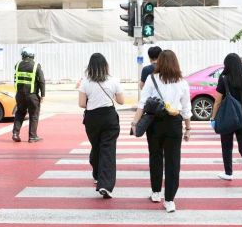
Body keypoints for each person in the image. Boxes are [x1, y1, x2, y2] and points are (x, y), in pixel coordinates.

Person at [131, 50, 192, 213]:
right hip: (174, 122)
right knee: (173, 161)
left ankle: (156, 193)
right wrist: (188, 128)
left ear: (159, 62)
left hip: (155, 123)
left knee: (155, 156)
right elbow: (186, 108)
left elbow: (142, 103)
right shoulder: (182, 82)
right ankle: (170, 200)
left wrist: (135, 122)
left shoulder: (151, 79)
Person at [210, 53, 242, 192]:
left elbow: (217, 101)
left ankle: (228, 173)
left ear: (227, 65)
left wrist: (213, 118)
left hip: (228, 117)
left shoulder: (224, 79)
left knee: (227, 146)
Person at [78, 53, 125, 199]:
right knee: (108, 150)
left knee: (96, 146)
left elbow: (81, 104)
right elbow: (121, 101)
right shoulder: (114, 80)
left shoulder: (85, 82)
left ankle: (97, 174)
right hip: (109, 117)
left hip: (92, 119)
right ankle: (105, 185)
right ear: (106, 66)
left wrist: (93, 100)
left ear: (90, 67)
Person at [12, 47, 45, 143]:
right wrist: (43, 95)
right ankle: (32, 136)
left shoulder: (17, 65)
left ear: (23, 55)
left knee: (19, 113)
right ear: (32, 55)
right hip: (32, 95)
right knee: (34, 115)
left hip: (19, 94)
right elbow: (41, 81)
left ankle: (15, 133)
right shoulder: (36, 66)